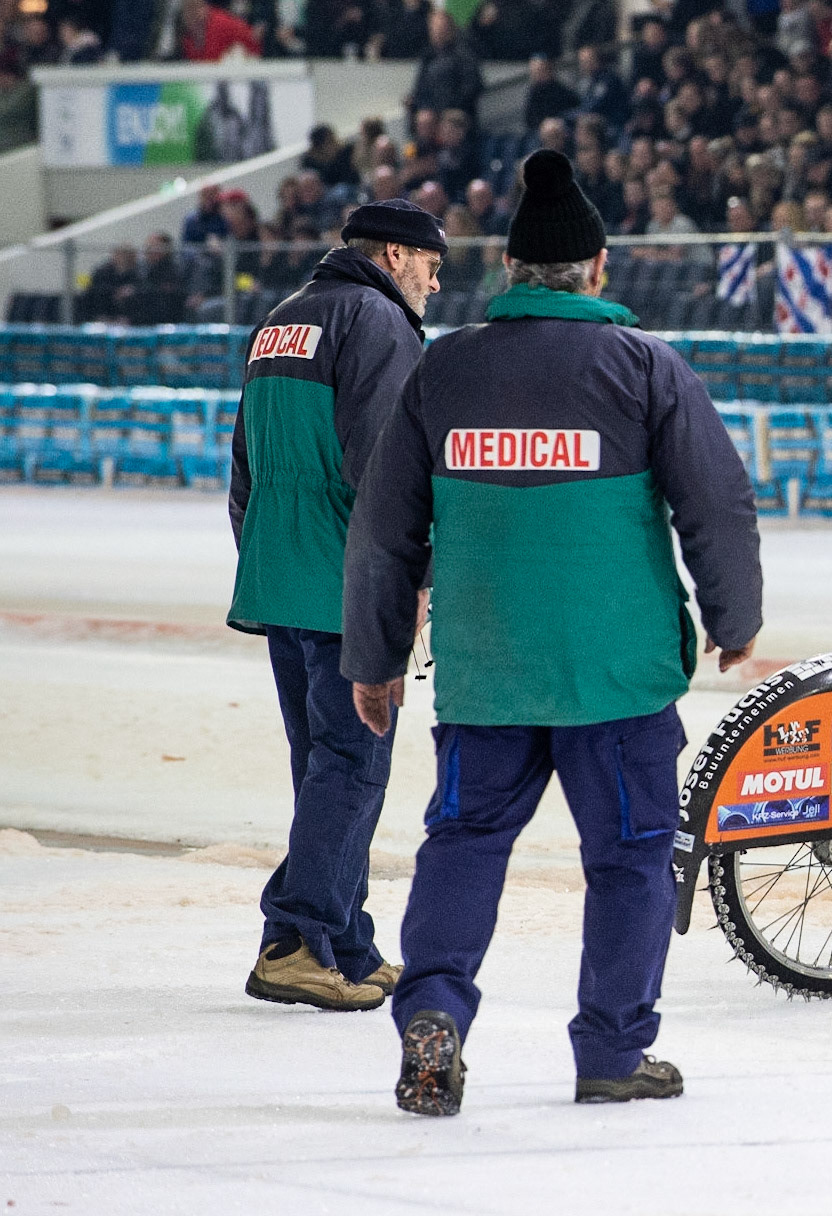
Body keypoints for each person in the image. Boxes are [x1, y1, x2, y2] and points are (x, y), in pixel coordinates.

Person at [340, 150, 763, 1117]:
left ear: (510, 273)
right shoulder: (645, 366)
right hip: (615, 677)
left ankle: (432, 1011)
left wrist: (372, 660)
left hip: (487, 672)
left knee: (464, 841)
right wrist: (733, 618)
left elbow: (384, 528)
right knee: (627, 860)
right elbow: (717, 503)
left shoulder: (445, 368)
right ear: (599, 270)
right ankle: (613, 1052)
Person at [229, 199, 446, 1014]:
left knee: (322, 768)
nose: (435, 279)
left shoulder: (280, 321)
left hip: (278, 577)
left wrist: (265, 558)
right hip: (345, 586)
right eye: (430, 262)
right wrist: (408, 583)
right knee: (354, 765)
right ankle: (291, 938)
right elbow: (384, 472)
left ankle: (342, 942)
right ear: (394, 255)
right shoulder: (377, 321)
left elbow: (243, 467)